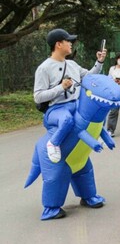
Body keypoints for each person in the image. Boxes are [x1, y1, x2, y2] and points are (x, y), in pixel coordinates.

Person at [34, 28, 106, 163]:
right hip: (56, 109)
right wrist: (61, 87)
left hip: (75, 104)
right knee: (67, 119)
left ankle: (98, 135)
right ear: (58, 44)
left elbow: (89, 76)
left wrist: (100, 62)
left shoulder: (72, 64)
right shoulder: (44, 68)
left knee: (96, 111)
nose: (71, 44)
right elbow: (38, 96)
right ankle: (53, 143)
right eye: (68, 41)